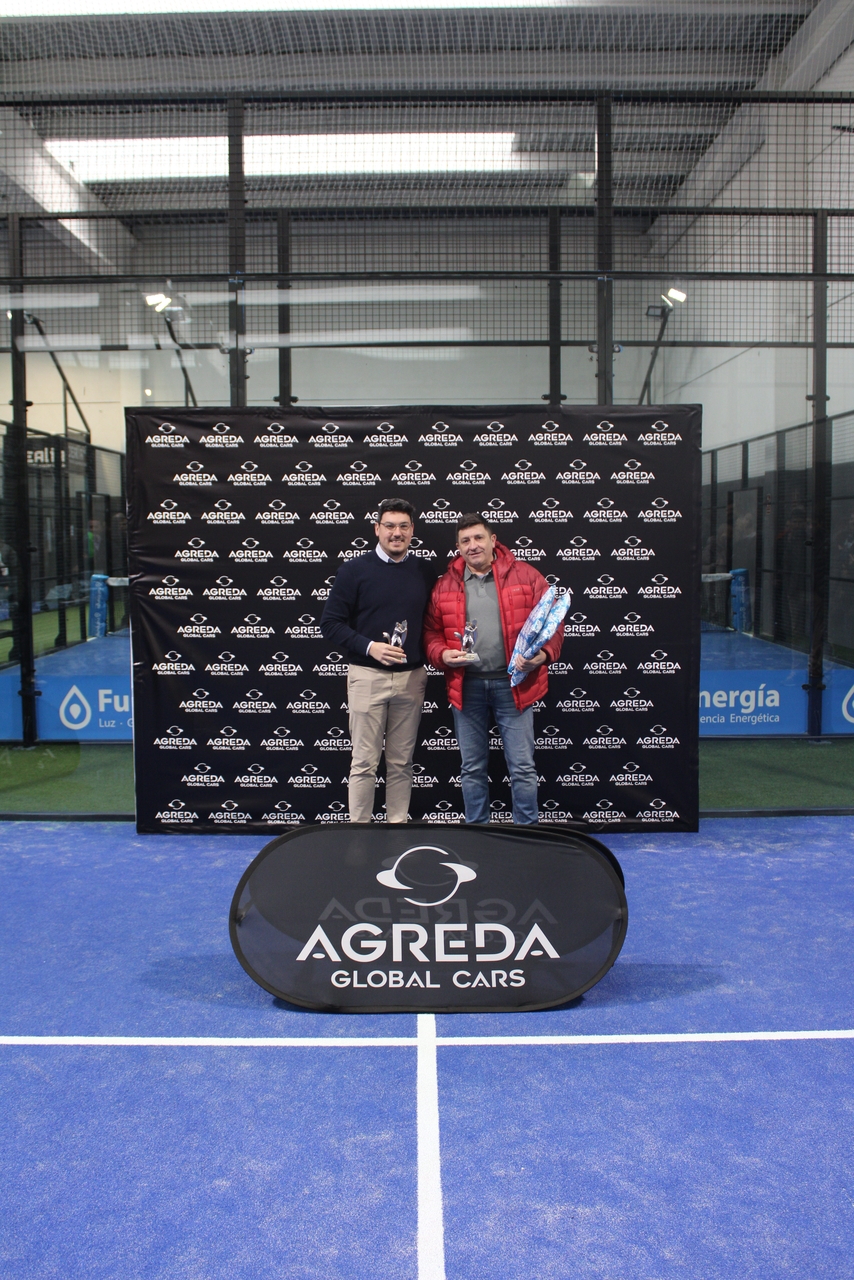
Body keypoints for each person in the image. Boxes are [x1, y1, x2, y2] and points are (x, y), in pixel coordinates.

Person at [423, 513, 564, 825]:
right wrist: (442, 654)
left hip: (514, 684)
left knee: (522, 767)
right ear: (458, 547)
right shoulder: (444, 585)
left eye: (478, 538)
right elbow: (431, 632)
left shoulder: (526, 576)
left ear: (493, 540)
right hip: (467, 686)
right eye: (465, 541)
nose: (472, 545)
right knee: (472, 768)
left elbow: (553, 621)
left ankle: (527, 834)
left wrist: (543, 655)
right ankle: (478, 834)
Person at [320, 497, 436, 824]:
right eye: (389, 526)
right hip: (367, 676)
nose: (396, 533)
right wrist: (370, 647)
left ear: (412, 530)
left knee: (401, 763)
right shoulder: (354, 570)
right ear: (377, 529)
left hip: (411, 679)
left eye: (403, 526)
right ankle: (359, 835)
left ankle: (396, 831)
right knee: (364, 763)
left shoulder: (425, 571)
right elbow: (330, 623)